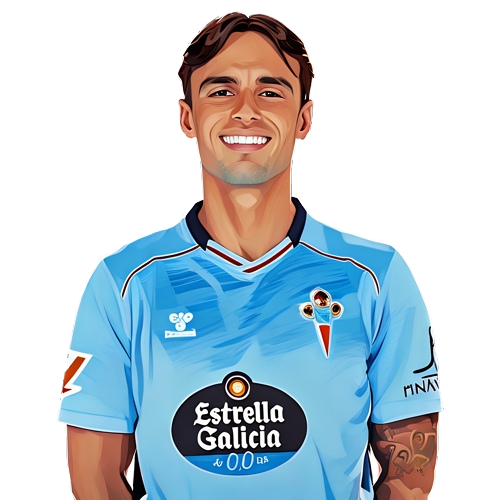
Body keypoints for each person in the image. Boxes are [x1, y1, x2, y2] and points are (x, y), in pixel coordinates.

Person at [57, 11, 443, 499]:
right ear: (187, 117)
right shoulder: (121, 281)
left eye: (270, 91)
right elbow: (94, 479)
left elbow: (411, 472)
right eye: (221, 91)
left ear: (303, 118)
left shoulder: (379, 275)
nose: (245, 110)